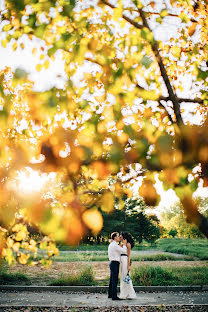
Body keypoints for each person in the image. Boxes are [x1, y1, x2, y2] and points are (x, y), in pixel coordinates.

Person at [108, 232, 127, 300]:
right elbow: (124, 251)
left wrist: (120, 246)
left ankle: (110, 294)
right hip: (115, 263)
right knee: (114, 280)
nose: (119, 237)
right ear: (115, 237)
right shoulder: (115, 245)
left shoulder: (113, 244)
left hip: (112, 263)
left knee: (111, 279)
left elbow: (118, 250)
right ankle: (114, 296)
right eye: (118, 236)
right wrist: (124, 245)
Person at [119, 232, 137, 299]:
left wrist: (128, 265)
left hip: (125, 260)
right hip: (121, 261)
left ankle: (129, 294)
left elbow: (128, 256)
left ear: (124, 237)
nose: (120, 237)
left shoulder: (128, 245)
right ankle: (124, 293)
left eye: (121, 236)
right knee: (122, 277)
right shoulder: (122, 245)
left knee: (125, 277)